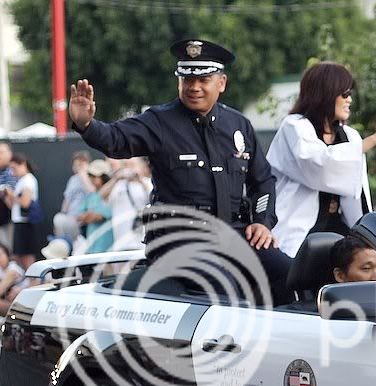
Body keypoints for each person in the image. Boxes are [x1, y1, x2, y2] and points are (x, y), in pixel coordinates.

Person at [68, 39, 292, 305]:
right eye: (187, 80)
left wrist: (263, 223)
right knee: (229, 284)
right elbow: (115, 138)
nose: (194, 87)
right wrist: (86, 124)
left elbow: (263, 181)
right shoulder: (160, 121)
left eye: (203, 80)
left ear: (221, 83)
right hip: (179, 238)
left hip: (232, 233)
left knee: (290, 274)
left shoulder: (238, 125)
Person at [267, 61, 376, 257]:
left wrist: (369, 238)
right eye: (344, 94)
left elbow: (358, 193)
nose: (350, 100)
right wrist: (374, 139)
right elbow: (320, 164)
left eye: (350, 94)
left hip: (338, 231)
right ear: (326, 94)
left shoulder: (350, 136)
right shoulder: (294, 127)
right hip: (297, 236)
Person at [4, 154, 42, 271]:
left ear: (23, 165)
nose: (12, 172)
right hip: (19, 222)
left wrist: (12, 195)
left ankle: (33, 281)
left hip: (26, 223)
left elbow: (25, 203)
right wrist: (7, 196)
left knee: (27, 256)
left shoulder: (28, 180)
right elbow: (12, 205)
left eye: (14, 168)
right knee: (19, 256)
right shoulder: (20, 181)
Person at [53, 151, 93, 243]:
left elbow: (93, 193)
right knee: (58, 218)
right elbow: (67, 199)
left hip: (84, 220)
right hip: (71, 218)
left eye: (80, 165)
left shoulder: (92, 178)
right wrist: (63, 213)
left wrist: (83, 176)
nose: (77, 167)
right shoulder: (72, 179)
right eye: (75, 165)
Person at [76, 159, 114, 253]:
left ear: (104, 177)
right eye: (90, 175)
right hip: (91, 247)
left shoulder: (112, 194)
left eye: (94, 176)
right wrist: (89, 216)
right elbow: (79, 216)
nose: (91, 178)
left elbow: (98, 217)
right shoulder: (90, 196)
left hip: (108, 247)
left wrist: (90, 216)